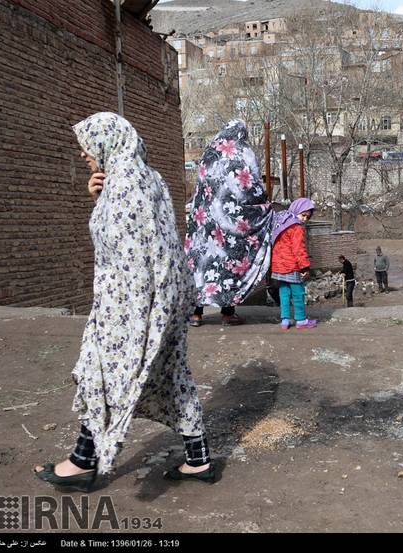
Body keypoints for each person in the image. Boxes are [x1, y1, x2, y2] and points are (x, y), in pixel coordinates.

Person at [33, 113, 214, 491]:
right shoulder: (145, 177)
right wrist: (99, 196)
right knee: (172, 375)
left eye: (88, 146)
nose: (84, 154)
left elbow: (126, 250)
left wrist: (132, 319)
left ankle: (83, 462)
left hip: (131, 303)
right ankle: (198, 460)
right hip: (159, 298)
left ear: (108, 141)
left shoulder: (127, 182)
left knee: (100, 371)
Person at [184, 119, 273, 327]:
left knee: (202, 263)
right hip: (229, 223)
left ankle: (196, 314)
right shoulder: (242, 152)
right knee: (229, 263)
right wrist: (263, 204)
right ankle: (227, 313)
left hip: (203, 221)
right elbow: (251, 185)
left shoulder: (208, 153)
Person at [271, 198, 317, 330]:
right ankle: (301, 320)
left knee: (284, 293)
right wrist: (305, 266)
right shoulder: (296, 228)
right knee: (298, 293)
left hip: (278, 267)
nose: (304, 219)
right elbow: (299, 249)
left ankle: (285, 320)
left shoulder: (281, 223)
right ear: (296, 211)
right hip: (292, 266)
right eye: (303, 215)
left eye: (307, 217)